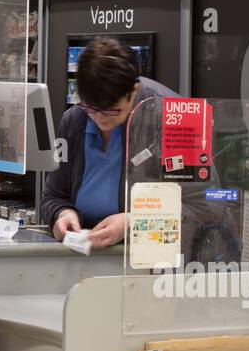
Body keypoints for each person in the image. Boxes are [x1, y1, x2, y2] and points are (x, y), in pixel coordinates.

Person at [40, 36, 179, 249]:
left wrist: (133, 222)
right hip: (88, 261)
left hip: (155, 265)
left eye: (111, 109)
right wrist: (62, 214)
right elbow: (53, 195)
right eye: (91, 108)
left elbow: (203, 204)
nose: (100, 118)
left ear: (132, 91)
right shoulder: (74, 121)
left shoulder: (172, 117)